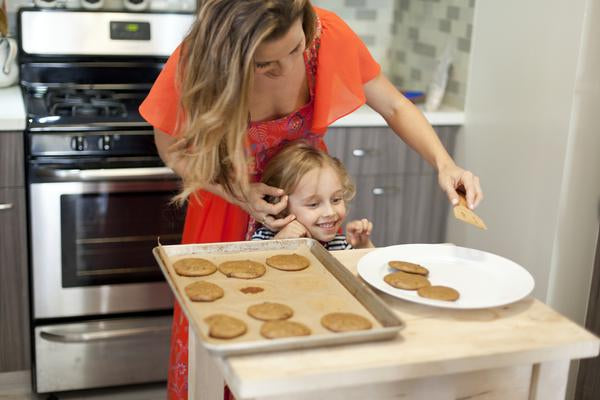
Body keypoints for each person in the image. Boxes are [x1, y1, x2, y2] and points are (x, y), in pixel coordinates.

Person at [139, 1, 484, 398]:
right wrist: (237, 192)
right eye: (267, 63)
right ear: (233, 55)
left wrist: (445, 164)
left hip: (304, 206)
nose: (288, 66)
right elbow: (172, 149)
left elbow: (392, 104)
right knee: (224, 340)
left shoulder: (325, 33)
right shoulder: (199, 59)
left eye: (294, 48)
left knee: (304, 330)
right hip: (225, 209)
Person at [252, 140, 374, 249]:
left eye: (336, 200)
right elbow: (252, 266)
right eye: (313, 204)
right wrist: (278, 243)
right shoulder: (265, 238)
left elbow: (372, 271)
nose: (330, 212)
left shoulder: (341, 244)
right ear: (281, 208)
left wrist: (363, 246)